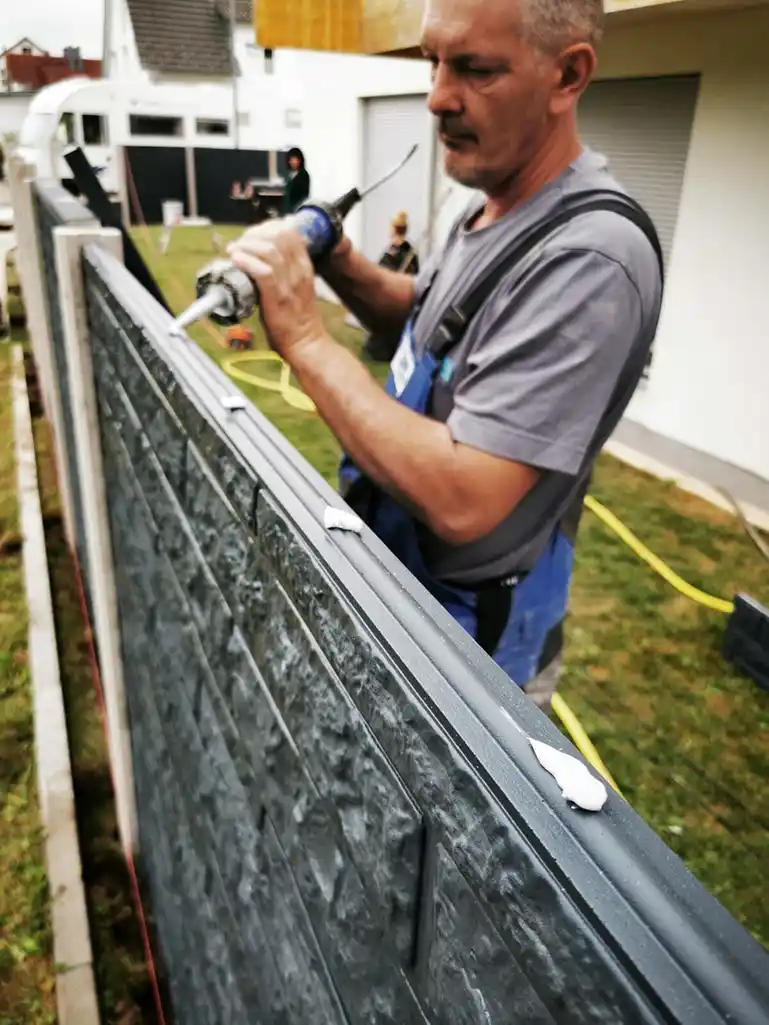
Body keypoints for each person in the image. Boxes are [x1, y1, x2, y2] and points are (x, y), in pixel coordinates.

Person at [226, 0, 664, 713]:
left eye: (474, 69)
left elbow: (466, 499)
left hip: (471, 652)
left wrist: (304, 337)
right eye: (432, 60)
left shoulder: (589, 257)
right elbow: (432, 321)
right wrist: (339, 261)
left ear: (567, 75)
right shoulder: (491, 201)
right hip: (407, 586)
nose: (435, 96)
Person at [364, 211, 420, 361]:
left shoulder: (409, 253)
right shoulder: (391, 250)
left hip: (396, 298)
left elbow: (413, 276)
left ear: (395, 229)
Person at [282, 147, 311, 215]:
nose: (292, 162)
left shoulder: (304, 175)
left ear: (300, 160)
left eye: (295, 159)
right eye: (290, 160)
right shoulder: (287, 174)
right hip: (287, 211)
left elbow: (304, 196)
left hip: (298, 211)